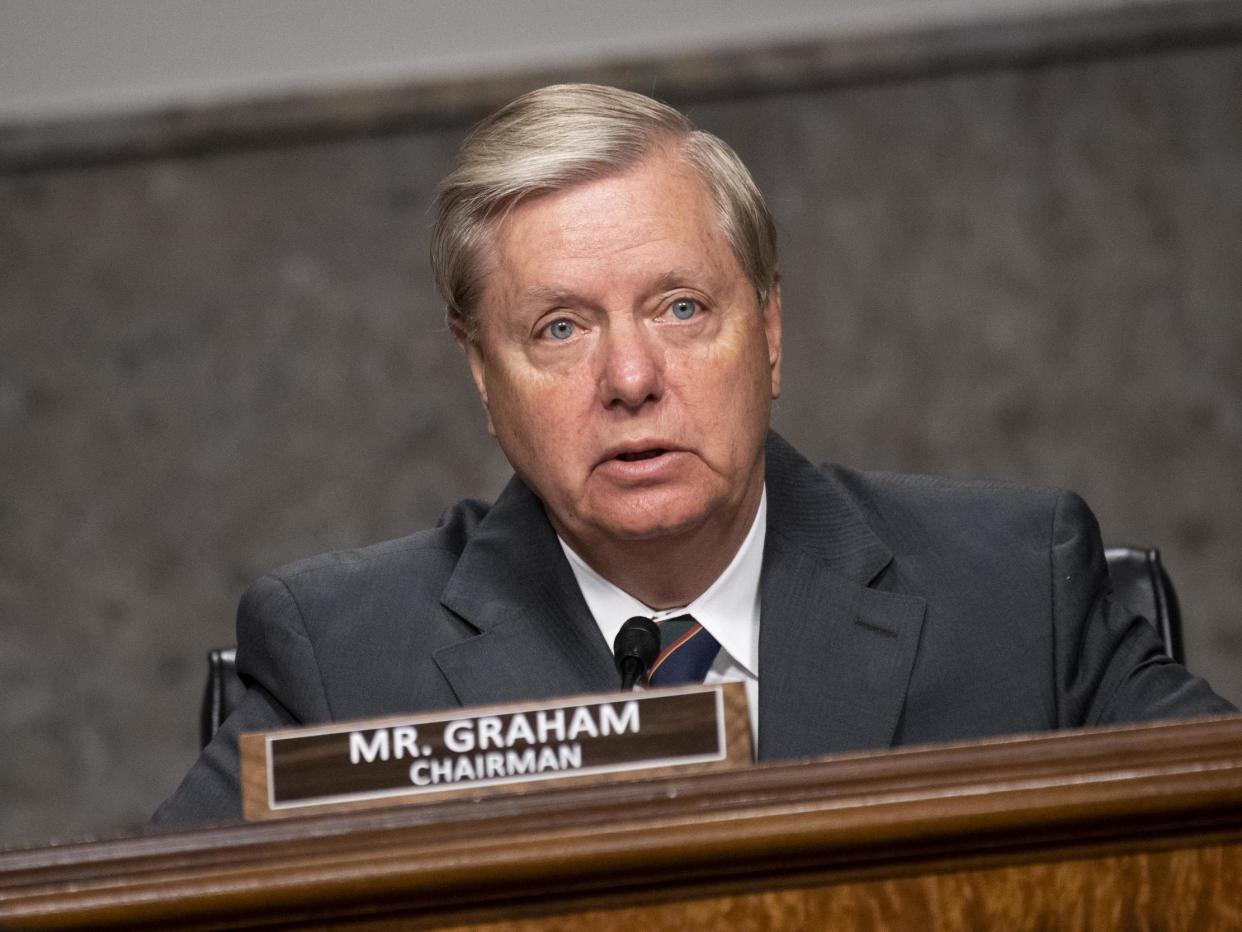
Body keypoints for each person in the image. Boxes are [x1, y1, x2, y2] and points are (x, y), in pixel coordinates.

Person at [154, 83, 1232, 826]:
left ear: (768, 331)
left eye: (680, 306)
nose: (630, 378)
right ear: (482, 373)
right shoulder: (345, 656)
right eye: (560, 328)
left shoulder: (1011, 587)